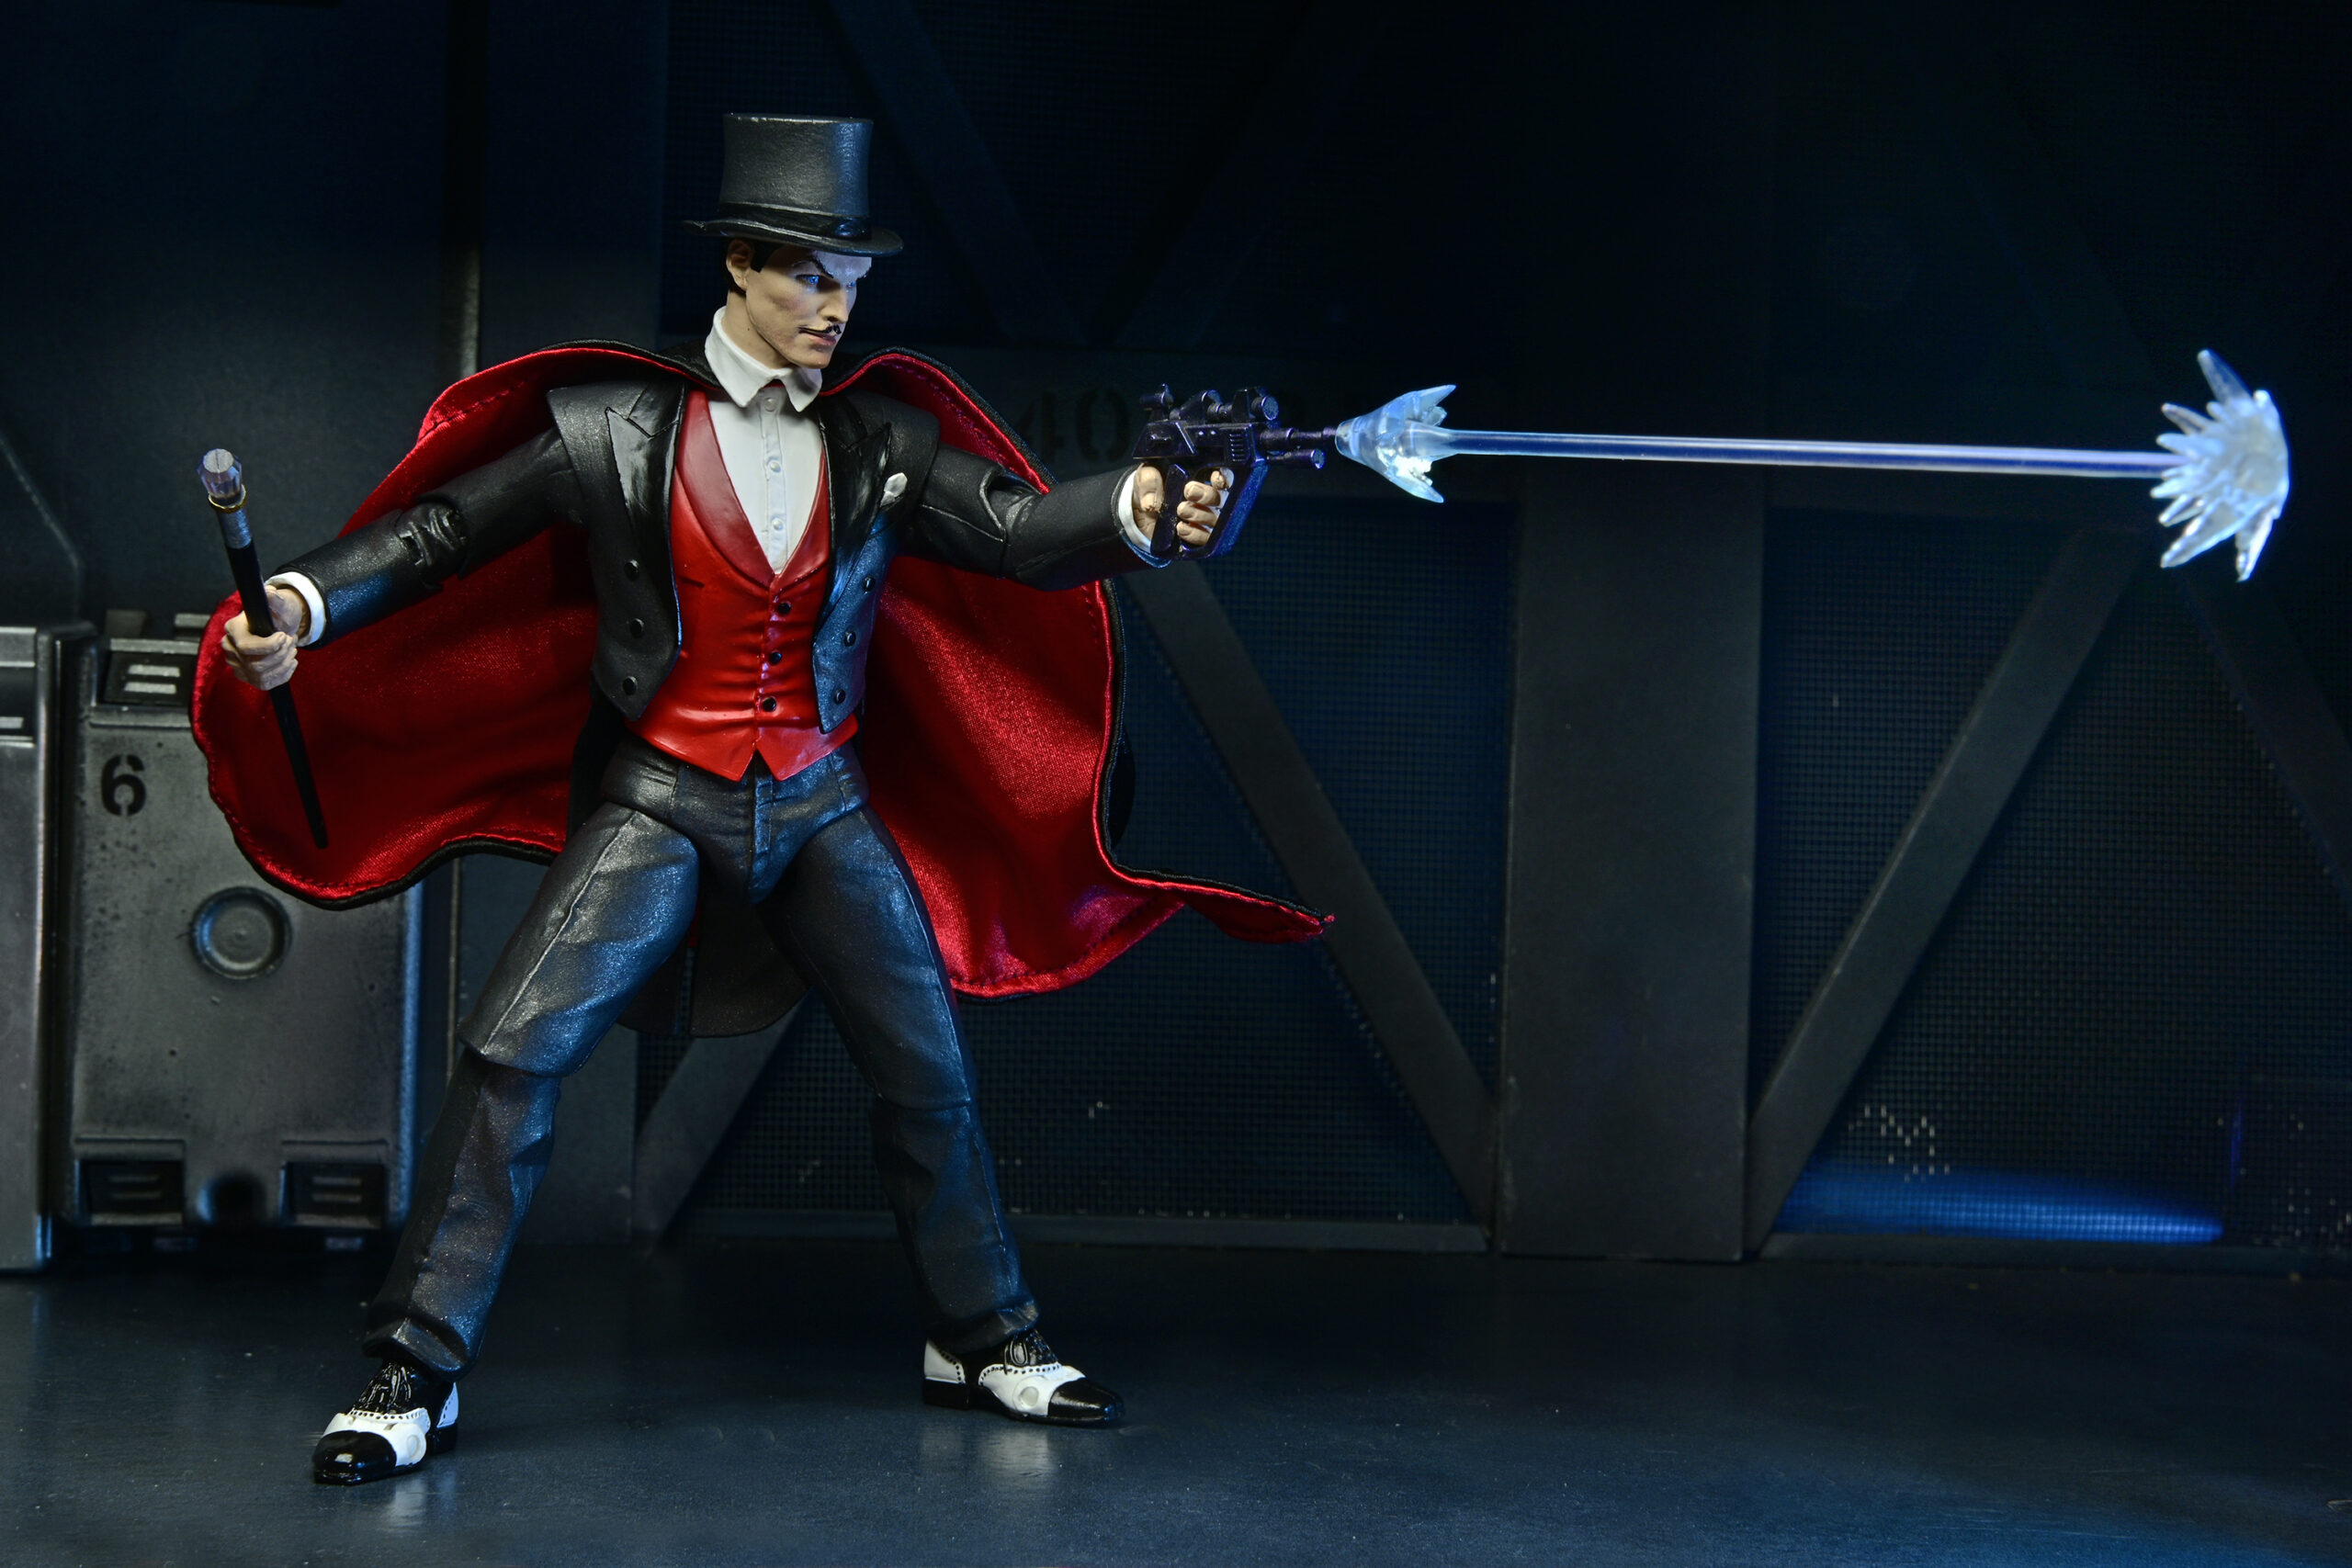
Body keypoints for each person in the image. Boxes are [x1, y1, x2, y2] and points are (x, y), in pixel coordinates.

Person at [207, 115, 1307, 1487]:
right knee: (513, 1052)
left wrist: (1139, 505)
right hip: (661, 792)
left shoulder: (880, 444)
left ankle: (983, 1334)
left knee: (925, 1064)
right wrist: (301, 603)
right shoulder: (610, 430)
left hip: (819, 797)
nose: (834, 307)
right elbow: (443, 534)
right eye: (809, 276)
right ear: (738, 264)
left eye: (853, 281)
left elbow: (1020, 535)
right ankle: (410, 1371)